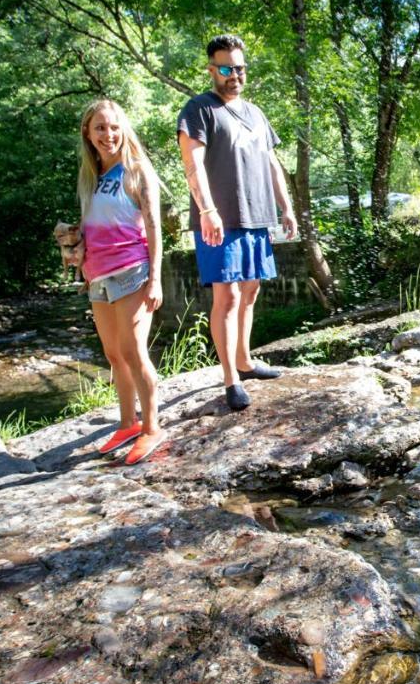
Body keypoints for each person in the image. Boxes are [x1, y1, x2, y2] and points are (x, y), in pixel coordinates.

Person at [176, 34, 298, 411]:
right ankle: (230, 379)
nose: (234, 75)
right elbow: (191, 162)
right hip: (221, 220)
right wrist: (207, 209)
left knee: (251, 290)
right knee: (225, 297)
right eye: (226, 68)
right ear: (212, 70)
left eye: (240, 68)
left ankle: (245, 361)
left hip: (257, 216)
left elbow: (272, 163)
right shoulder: (199, 109)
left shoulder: (257, 113)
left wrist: (286, 207)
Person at [77, 99, 165, 464]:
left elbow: (155, 226)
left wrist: (156, 277)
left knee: (133, 351)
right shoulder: (90, 175)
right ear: (88, 133)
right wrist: (75, 245)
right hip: (97, 276)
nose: (108, 135)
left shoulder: (136, 170)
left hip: (133, 272)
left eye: (113, 127)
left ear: (123, 129)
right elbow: (94, 225)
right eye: (100, 128)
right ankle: (127, 423)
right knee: (114, 355)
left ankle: (152, 428)